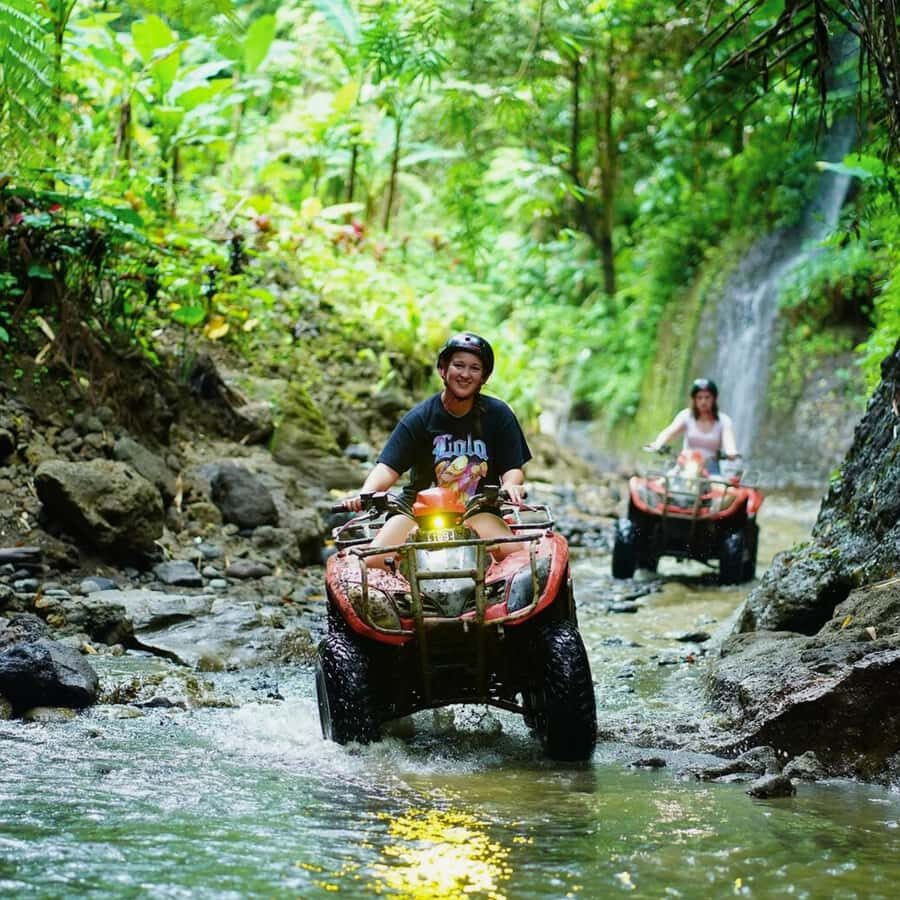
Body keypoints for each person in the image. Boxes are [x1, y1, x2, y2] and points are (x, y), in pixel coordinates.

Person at [341, 332, 532, 564]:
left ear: (484, 377)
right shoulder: (420, 418)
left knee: (519, 559)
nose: (465, 374)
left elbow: (513, 468)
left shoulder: (499, 415)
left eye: (474, 368)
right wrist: (365, 494)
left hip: (477, 508)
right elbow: (388, 467)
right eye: (458, 365)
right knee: (370, 563)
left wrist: (511, 486)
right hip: (416, 511)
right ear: (443, 369)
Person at [646, 378, 739, 475]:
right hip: (686, 463)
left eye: (707, 397)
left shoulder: (723, 421)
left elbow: (729, 442)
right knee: (668, 479)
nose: (703, 401)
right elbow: (669, 432)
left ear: (714, 399)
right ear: (694, 399)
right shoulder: (686, 416)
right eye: (699, 397)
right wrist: (658, 443)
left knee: (717, 483)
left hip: (711, 467)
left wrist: (731, 452)